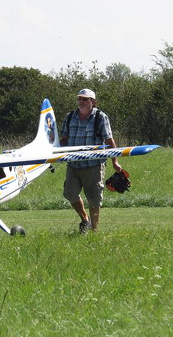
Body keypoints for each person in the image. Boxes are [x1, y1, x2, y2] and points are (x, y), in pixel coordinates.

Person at [59, 89, 122, 233]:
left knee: (94, 198)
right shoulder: (70, 117)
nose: (81, 101)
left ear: (93, 102)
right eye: (79, 98)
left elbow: (109, 140)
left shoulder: (100, 117)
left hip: (93, 165)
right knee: (70, 193)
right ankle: (85, 220)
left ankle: (94, 231)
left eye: (85, 99)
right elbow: (63, 140)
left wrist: (115, 162)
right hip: (73, 165)